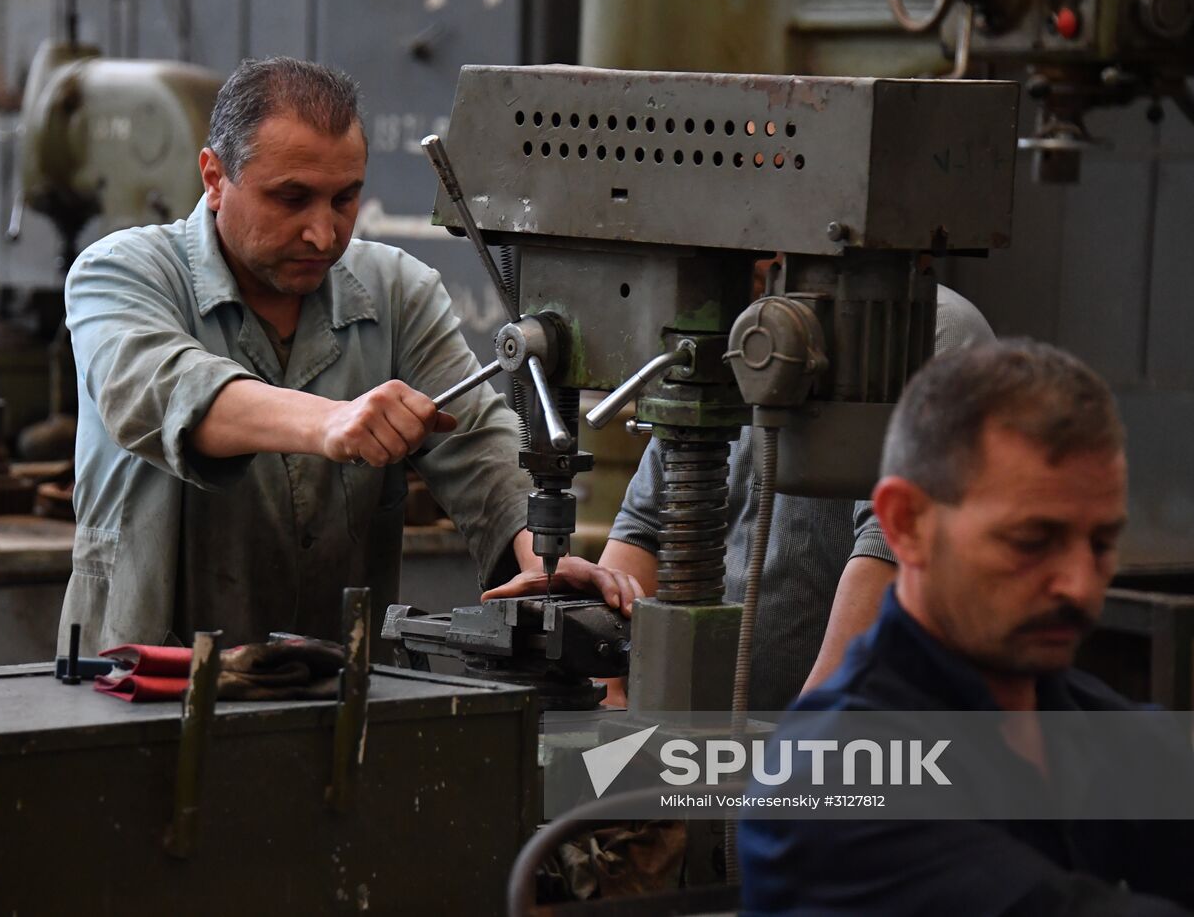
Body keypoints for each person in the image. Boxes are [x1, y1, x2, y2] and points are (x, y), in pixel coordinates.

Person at [58, 57, 629, 654]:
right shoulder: (119, 273)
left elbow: (478, 438)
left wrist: (539, 558)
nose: (323, 235)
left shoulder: (396, 291)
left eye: (344, 199)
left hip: (336, 686)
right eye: (292, 198)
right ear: (214, 177)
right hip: (143, 683)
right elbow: (165, 388)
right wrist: (330, 420)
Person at [739, 338, 1194, 914]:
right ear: (906, 525)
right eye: (1032, 541)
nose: (1080, 585)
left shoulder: (1108, 737)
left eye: (1101, 543)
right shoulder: (828, 784)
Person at [601, 283, 994, 711]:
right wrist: (609, 690)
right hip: (711, 736)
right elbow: (646, 526)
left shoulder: (927, 328)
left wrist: (802, 740)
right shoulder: (728, 325)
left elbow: (891, 548)